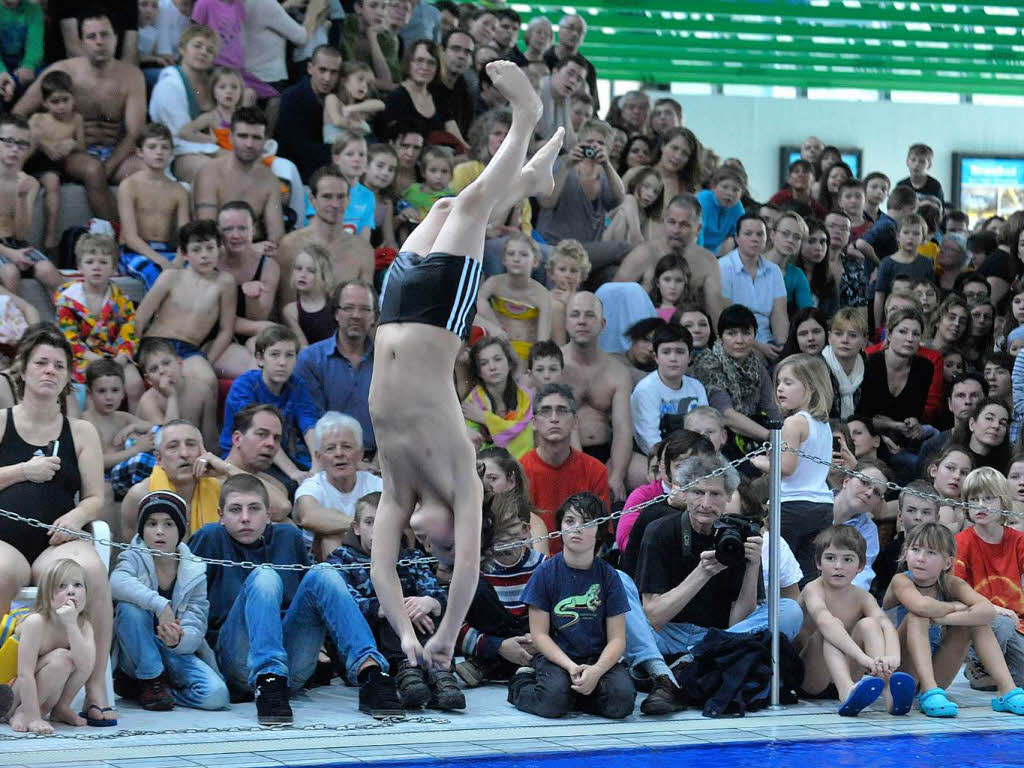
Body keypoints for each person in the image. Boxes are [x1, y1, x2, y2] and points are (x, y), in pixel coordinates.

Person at [369, 63, 561, 670]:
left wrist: (405, 634)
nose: (424, 540)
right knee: (471, 205)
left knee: (456, 201)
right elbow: (471, 568)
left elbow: (380, 567)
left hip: (393, 309)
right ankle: (528, 116)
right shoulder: (463, 480)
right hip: (437, 318)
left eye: (423, 542)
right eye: (436, 543)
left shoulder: (398, 489)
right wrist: (448, 633)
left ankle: (530, 179)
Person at [189, 473, 403, 724]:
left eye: (254, 509)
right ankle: (268, 679)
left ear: (268, 514)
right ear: (220, 515)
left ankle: (371, 674)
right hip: (237, 658)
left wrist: (321, 647)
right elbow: (187, 602)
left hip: (291, 662)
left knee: (324, 573)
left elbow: (311, 604)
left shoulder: (288, 537)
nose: (245, 517)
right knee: (264, 575)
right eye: (235, 510)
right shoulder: (209, 537)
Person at [0, 328, 113, 725]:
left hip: (57, 540)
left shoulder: (81, 431)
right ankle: (2, 685)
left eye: (59, 366)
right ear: (23, 372)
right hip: (5, 540)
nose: (50, 371)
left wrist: (79, 516)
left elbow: (97, 496)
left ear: (67, 378)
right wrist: (22, 471)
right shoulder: (1, 422)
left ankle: (95, 686)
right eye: (41, 363)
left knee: (94, 571)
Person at [636, 453, 804, 654]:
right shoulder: (660, 530)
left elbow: (739, 622)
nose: (706, 504)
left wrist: (753, 567)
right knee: (622, 596)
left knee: (790, 611)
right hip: (664, 634)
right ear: (685, 493)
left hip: (718, 636)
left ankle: (697, 657)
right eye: (698, 492)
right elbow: (654, 617)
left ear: (729, 496)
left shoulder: (738, 534)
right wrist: (703, 572)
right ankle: (665, 666)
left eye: (715, 494)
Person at [328, 492, 464, 711]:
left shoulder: (412, 557)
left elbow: (437, 592)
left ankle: (441, 676)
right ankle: (408, 673)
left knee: (424, 608)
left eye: (385, 521)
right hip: (369, 647)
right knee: (392, 608)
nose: (379, 529)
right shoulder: (341, 559)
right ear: (356, 528)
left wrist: (429, 602)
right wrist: (388, 608)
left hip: (417, 638)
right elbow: (344, 605)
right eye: (370, 522)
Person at [508, 492, 635, 720]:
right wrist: (569, 667)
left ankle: (577, 693)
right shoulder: (546, 572)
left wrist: (596, 671)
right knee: (552, 703)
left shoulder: (608, 577)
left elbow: (618, 639)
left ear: (599, 532)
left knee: (622, 702)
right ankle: (522, 682)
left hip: (596, 657)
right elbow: (539, 635)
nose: (576, 528)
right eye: (570, 521)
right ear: (560, 527)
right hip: (557, 658)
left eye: (586, 523)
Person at [883, 522, 1024, 718]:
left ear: (948, 563)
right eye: (915, 550)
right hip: (901, 670)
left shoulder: (952, 584)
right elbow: (921, 606)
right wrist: (955, 606)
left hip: (936, 669)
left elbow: (987, 611)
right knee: (917, 617)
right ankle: (930, 691)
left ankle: (1008, 692)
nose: (921, 558)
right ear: (906, 553)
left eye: (931, 553)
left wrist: (942, 617)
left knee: (976, 623)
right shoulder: (902, 580)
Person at [17, 12, 146, 223]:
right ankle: (121, 239)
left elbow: (134, 133)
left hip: (114, 152)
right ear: (82, 42)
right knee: (93, 169)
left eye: (105, 35)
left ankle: (155, 241)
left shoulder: (132, 76)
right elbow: (19, 114)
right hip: (75, 152)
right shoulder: (62, 70)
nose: (99, 42)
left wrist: (110, 166)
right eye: (91, 36)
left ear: (116, 38)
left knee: (146, 168)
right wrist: (45, 143)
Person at [110, 490, 228, 711]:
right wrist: (160, 604)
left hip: (174, 652)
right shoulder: (132, 556)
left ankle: (147, 690)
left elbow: (197, 622)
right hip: (137, 652)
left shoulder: (195, 570)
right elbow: (116, 581)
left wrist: (177, 641)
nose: (160, 532)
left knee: (216, 696)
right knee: (129, 608)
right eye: (152, 524)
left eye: (169, 524)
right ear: (143, 530)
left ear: (181, 530)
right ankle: (151, 678)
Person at [133, 220, 233, 443]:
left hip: (189, 349)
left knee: (207, 379)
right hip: (156, 343)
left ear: (220, 249)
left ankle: (206, 445)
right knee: (141, 381)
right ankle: (141, 438)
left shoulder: (225, 283)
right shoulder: (171, 276)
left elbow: (226, 330)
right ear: (185, 254)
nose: (204, 255)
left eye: (210, 248)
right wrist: (131, 354)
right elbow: (140, 318)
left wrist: (206, 359)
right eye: (196, 250)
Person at [797, 526, 911, 717]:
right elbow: (825, 622)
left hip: (849, 668)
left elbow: (884, 623)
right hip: (811, 678)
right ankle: (846, 691)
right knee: (832, 628)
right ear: (818, 562)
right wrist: (863, 658)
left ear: (860, 566)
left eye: (847, 559)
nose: (838, 566)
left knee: (870, 624)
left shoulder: (862, 596)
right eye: (830, 558)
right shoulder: (813, 589)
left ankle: (888, 693)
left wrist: (893, 656)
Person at [749, 353, 834, 584]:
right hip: (822, 507)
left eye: (788, 382)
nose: (779, 389)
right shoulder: (823, 425)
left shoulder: (793, 422)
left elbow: (786, 468)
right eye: (778, 383)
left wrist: (761, 463)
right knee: (809, 574)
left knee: (781, 572)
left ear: (811, 387)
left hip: (792, 507)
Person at [219, 324, 318, 489]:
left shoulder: (297, 385)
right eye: (274, 355)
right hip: (245, 459)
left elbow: (309, 424)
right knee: (292, 487)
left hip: (278, 456)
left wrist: (317, 465)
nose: (282, 362)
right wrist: (293, 472)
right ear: (259, 358)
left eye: (289, 355)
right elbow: (262, 436)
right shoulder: (244, 386)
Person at [1, 559, 94, 733]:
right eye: (61, 586)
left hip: (33, 692)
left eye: (78, 585)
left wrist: (71, 625)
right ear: (46, 594)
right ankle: (22, 713)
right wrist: (33, 716)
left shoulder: (83, 625)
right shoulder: (35, 622)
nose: (71, 591)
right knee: (63, 659)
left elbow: (85, 667)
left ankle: (61, 708)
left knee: (76, 658)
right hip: (7, 694)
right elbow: (24, 673)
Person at [559, 291, 634, 500]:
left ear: (602, 324)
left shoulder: (618, 371)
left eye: (589, 315)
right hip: (564, 455)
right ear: (566, 322)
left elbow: (623, 428)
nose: (582, 321)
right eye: (575, 315)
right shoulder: (553, 367)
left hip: (608, 453)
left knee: (643, 473)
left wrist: (617, 475)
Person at [519, 384, 609, 556]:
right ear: (534, 423)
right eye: (545, 411)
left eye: (561, 410)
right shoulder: (520, 471)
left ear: (575, 421)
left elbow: (599, 535)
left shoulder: (595, 470)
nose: (554, 418)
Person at [955, 467, 1024, 690]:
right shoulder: (960, 542)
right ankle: (979, 664)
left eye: (988, 498)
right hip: (978, 620)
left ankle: (1001, 670)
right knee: (1000, 623)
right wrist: (998, 610)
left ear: (1003, 502)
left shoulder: (1018, 540)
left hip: (1017, 624)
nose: (980, 505)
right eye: (974, 499)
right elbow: (956, 592)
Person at [614, 193, 728, 326]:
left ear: (698, 229)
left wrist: (722, 344)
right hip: (645, 332)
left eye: (684, 225)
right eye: (671, 222)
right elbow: (614, 298)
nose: (676, 230)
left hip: (689, 335)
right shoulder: (644, 253)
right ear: (664, 222)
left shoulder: (707, 260)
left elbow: (716, 312)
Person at [535, 119, 626, 280]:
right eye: (589, 142)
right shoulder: (560, 166)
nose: (594, 147)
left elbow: (619, 198)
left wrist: (606, 165)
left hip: (586, 254)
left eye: (601, 143)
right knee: (624, 249)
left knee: (613, 273)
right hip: (556, 246)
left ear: (609, 149)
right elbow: (546, 202)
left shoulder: (606, 177)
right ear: (579, 143)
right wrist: (568, 165)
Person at [295, 279, 377, 456]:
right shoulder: (310, 359)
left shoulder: (386, 361)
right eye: (348, 308)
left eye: (364, 309)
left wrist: (378, 462)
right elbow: (312, 418)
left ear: (374, 317)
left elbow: (394, 419)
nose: (356, 315)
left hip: (378, 462)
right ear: (336, 313)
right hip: (326, 458)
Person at [54, 234, 141, 399]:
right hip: (81, 358)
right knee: (86, 383)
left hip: (115, 357)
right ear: (79, 266)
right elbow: (68, 339)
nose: (96, 267)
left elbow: (129, 332)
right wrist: (95, 360)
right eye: (90, 262)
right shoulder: (68, 300)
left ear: (114, 268)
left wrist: (121, 359)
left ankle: (133, 423)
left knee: (134, 383)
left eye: (103, 262)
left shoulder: (121, 300)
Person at [277, 167, 373, 306]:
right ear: (312, 200)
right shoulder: (290, 245)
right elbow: (286, 304)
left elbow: (366, 306)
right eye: (327, 196)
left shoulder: (363, 250)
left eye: (341, 197)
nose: (335, 204)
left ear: (348, 200)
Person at [294, 412, 382, 559]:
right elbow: (308, 516)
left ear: (360, 453)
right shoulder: (312, 486)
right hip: (322, 563)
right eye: (330, 448)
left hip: (375, 554)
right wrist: (363, 526)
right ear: (319, 457)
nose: (339, 453)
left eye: (347, 446)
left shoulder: (375, 483)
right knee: (330, 536)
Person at [191, 107, 284, 244]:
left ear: (265, 142)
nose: (249, 144)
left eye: (256, 137)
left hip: (252, 253)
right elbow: (206, 231)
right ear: (230, 137)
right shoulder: (210, 172)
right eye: (243, 136)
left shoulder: (269, 180)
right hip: (214, 253)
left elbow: (276, 236)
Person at [690, 304, 780, 446]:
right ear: (720, 337)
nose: (739, 340)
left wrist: (784, 433)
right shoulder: (708, 362)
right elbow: (725, 415)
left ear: (755, 336)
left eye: (746, 333)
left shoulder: (756, 365)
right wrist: (771, 437)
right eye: (731, 333)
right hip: (719, 440)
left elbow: (770, 408)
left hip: (754, 436)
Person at [119, 419, 223, 539]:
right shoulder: (139, 495)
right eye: (173, 447)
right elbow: (131, 550)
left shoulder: (220, 487)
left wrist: (226, 470)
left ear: (202, 451)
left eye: (191, 445)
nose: (184, 453)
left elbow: (249, 490)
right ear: (159, 459)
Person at [117, 123, 190, 289]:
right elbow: (130, 237)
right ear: (139, 152)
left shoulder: (178, 190)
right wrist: (161, 261)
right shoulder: (129, 185)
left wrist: (179, 259)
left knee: (194, 273)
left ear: (171, 152)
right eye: (152, 147)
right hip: (134, 252)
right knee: (154, 272)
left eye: (165, 147)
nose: (159, 152)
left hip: (167, 249)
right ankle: (158, 315)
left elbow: (185, 233)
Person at [215, 201, 281, 375]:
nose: (236, 235)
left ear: (254, 229)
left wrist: (252, 297)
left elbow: (259, 316)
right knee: (252, 369)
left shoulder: (268, 266)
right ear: (218, 232)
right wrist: (262, 327)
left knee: (272, 358)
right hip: (216, 338)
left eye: (243, 228)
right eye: (228, 229)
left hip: (251, 332)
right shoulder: (209, 261)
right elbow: (212, 319)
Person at [0, 115, 61, 297]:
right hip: (5, 251)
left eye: (21, 144)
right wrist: (10, 254)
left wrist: (21, 196)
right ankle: (11, 325)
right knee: (10, 273)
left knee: (48, 270)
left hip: (14, 242)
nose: (14, 149)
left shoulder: (29, 183)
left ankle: (67, 323)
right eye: (8, 142)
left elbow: (20, 233)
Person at [24, 72, 84, 254]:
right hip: (32, 160)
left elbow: (82, 146)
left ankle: (50, 236)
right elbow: (26, 139)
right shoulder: (39, 119)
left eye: (65, 100)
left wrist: (72, 143)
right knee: (32, 138)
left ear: (73, 98)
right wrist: (45, 144)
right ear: (45, 103)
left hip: (54, 166)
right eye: (55, 102)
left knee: (52, 182)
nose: (61, 106)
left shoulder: (76, 119)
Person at [82, 359, 155, 504]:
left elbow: (160, 428)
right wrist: (136, 449)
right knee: (140, 462)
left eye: (115, 390)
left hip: (126, 476)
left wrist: (133, 427)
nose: (109, 397)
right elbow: (98, 461)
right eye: (102, 391)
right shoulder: (87, 422)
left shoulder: (123, 418)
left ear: (123, 392)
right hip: (102, 478)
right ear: (89, 394)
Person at [630, 324, 707, 456]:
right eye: (666, 352)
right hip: (656, 457)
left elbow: (706, 427)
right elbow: (649, 440)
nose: (673, 358)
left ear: (690, 357)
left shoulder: (696, 386)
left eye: (680, 352)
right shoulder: (646, 390)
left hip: (694, 455)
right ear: (656, 357)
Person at [718, 215, 788, 361]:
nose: (755, 239)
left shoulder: (774, 270)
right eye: (748, 234)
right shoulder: (723, 267)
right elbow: (725, 317)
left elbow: (779, 315)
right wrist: (759, 346)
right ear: (737, 238)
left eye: (760, 234)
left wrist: (782, 346)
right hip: (737, 340)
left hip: (768, 341)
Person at [475, 234, 551, 360]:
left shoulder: (542, 294)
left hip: (526, 354)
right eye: (511, 254)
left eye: (524, 254)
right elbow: (471, 312)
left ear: (535, 261)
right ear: (504, 260)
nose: (516, 259)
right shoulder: (494, 283)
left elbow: (543, 341)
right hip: (497, 348)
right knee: (479, 302)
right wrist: (494, 328)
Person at [274, 44, 342, 182]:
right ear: (310, 68)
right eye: (322, 70)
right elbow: (296, 148)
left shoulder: (340, 96)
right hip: (296, 177)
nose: (327, 78)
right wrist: (340, 150)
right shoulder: (292, 98)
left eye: (333, 72)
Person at [462, 337, 534, 459]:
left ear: (509, 363)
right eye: (484, 363)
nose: (492, 367)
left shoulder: (525, 396)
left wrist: (485, 418)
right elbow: (475, 449)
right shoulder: (471, 403)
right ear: (479, 372)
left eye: (497, 359)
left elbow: (525, 440)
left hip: (525, 466)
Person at [221, 404, 292, 522]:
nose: (271, 444)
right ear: (237, 439)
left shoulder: (275, 485)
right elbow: (281, 507)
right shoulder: (214, 480)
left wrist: (228, 469)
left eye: (277, 438)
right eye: (262, 434)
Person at [871, 479, 939, 602]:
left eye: (926, 512)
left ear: (937, 519)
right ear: (900, 515)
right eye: (911, 510)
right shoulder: (888, 552)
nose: (918, 517)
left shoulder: (943, 552)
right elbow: (878, 593)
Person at [873, 213, 933, 329]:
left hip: (918, 319)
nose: (910, 237)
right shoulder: (887, 263)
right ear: (898, 236)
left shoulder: (926, 263)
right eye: (906, 232)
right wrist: (877, 326)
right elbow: (880, 296)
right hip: (892, 318)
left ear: (923, 238)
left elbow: (929, 295)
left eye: (916, 233)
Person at [281, 243, 337, 348]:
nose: (303, 274)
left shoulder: (336, 304)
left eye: (311, 271)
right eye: (298, 268)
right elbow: (303, 347)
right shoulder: (291, 311)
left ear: (325, 276)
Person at [338, 0, 400, 92]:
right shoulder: (343, 25)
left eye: (384, 7)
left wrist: (372, 37)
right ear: (358, 7)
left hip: (374, 96)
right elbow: (343, 74)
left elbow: (387, 81)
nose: (381, 13)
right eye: (373, 6)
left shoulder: (388, 38)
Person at [543, 14, 599, 111]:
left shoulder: (588, 69)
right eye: (571, 28)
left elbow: (591, 105)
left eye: (580, 31)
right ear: (559, 30)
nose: (575, 34)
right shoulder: (542, 59)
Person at [821, 307, 868, 420]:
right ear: (829, 337)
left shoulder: (869, 367)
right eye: (838, 334)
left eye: (853, 335)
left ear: (864, 341)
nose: (845, 340)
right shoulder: (818, 367)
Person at [696, 165, 745, 255]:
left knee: (731, 241)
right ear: (713, 187)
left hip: (717, 252)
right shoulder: (704, 199)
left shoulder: (738, 208)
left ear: (742, 193)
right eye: (725, 187)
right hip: (696, 247)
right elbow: (698, 231)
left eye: (736, 190)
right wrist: (701, 258)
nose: (730, 193)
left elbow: (743, 234)